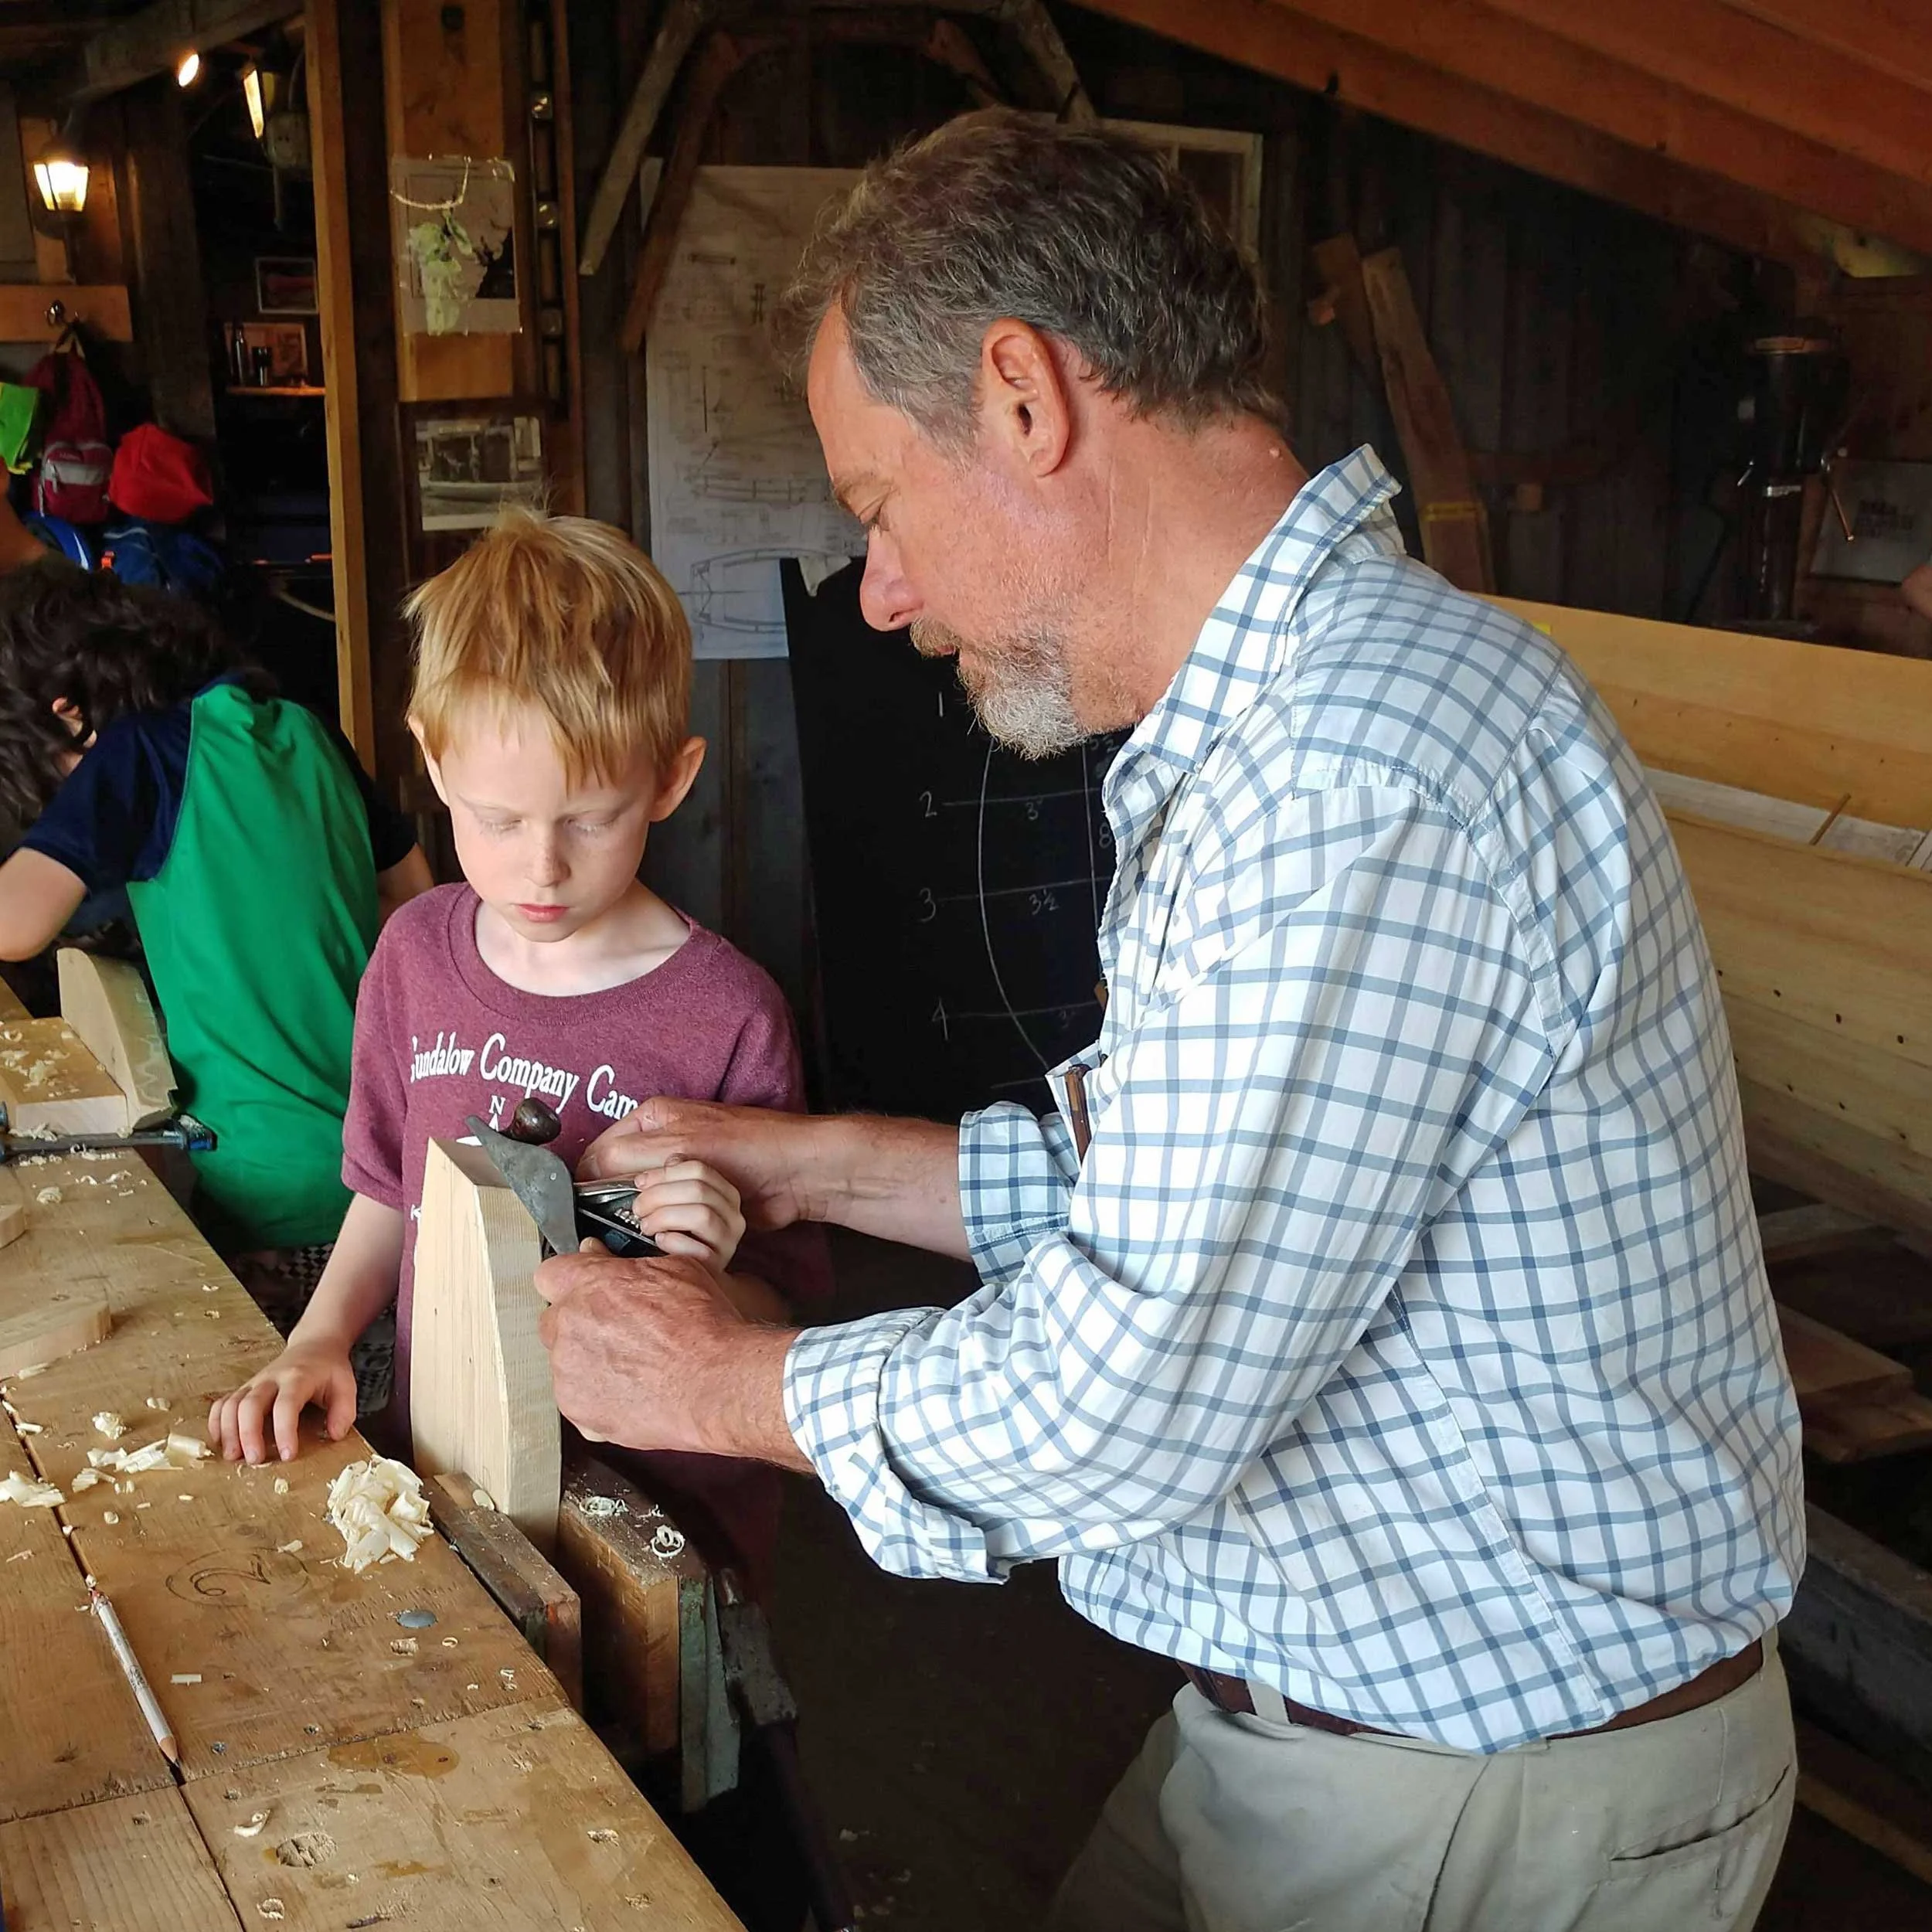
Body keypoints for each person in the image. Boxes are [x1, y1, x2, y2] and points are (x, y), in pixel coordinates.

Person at [535, 110, 1806, 1931]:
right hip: (1352, 1730)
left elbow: (1126, 1402)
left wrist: (721, 1380)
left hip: (1485, 1776)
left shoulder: (1353, 771)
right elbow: (1173, 1182)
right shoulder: (1291, 728)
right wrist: (813, 1164)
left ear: (1024, 398)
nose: (880, 595)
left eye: (881, 510)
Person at [206, 509, 828, 1591]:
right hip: (451, 1471)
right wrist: (315, 1341)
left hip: (657, 1525)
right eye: (497, 820)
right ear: (434, 764)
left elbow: (786, 1313)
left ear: (671, 782)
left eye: (591, 820)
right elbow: (387, 1192)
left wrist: (718, 1271)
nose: (541, 869)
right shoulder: (412, 955)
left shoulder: (729, 1013)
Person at [0, 562, 431, 1299]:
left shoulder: (138, 753)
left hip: (270, 1199)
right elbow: (414, 896)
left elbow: (15, 926)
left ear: (69, 714)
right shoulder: (305, 725)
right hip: (384, 1163)